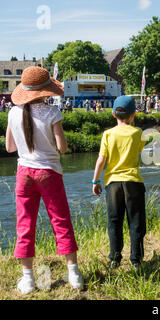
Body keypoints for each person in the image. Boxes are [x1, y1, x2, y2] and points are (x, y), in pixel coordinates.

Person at [6, 66, 83, 294]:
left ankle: (28, 280)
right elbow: (62, 147)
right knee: (61, 221)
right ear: (45, 91)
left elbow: (10, 147)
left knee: (25, 225)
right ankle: (74, 275)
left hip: (24, 174)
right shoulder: (52, 113)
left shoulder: (12, 113)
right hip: (49, 173)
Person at [92, 96, 146, 270]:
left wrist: (95, 180)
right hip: (133, 181)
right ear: (133, 114)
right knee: (136, 221)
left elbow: (101, 160)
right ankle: (136, 260)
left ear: (113, 114)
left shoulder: (107, 134)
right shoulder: (138, 133)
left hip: (113, 183)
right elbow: (138, 150)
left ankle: (114, 259)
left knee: (114, 221)